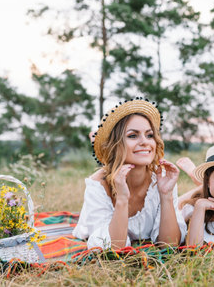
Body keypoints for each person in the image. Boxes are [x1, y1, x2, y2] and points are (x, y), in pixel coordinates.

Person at [72, 98, 187, 250]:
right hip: (95, 229)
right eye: (133, 136)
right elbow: (113, 248)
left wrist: (166, 195)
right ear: (116, 144)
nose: (145, 142)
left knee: (187, 205)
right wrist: (122, 198)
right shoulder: (98, 184)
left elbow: (169, 244)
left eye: (150, 135)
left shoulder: (161, 178)